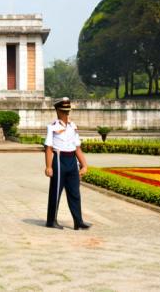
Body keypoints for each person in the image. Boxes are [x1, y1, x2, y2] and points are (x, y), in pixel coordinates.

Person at [44, 97, 91, 230]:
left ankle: (78, 221)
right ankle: (51, 220)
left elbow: (77, 147)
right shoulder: (52, 127)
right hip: (59, 159)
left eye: (68, 111)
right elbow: (48, 147)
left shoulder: (73, 126)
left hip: (72, 161)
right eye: (64, 111)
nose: (66, 114)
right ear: (57, 111)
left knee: (75, 192)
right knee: (55, 192)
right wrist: (48, 166)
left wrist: (84, 165)